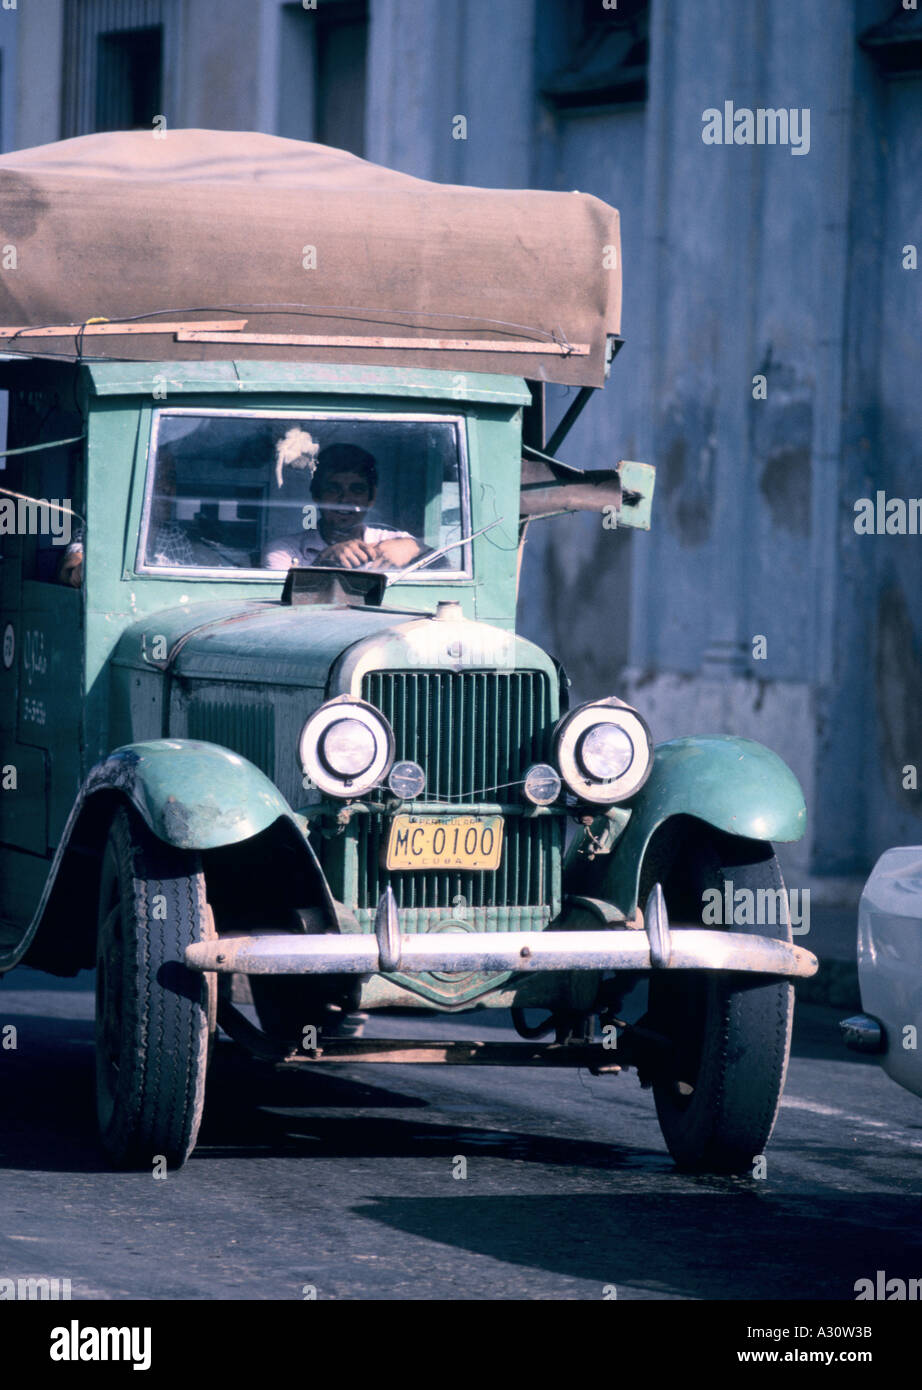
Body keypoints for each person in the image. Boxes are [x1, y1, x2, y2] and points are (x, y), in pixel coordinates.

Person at [261, 441, 422, 571]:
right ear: (316, 494)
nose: (345, 499)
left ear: (371, 497)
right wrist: (322, 563)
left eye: (357, 490)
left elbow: (444, 569)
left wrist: (415, 547)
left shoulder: (393, 540)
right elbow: (284, 605)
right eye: (333, 489)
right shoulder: (284, 551)